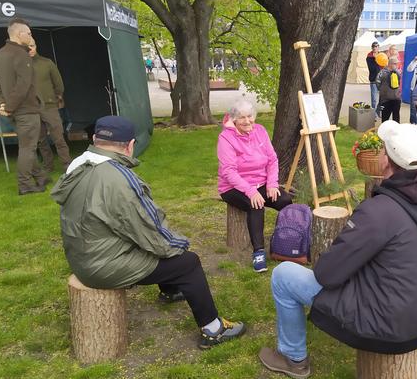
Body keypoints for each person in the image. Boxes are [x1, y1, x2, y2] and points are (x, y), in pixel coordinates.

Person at [258, 122, 417, 379]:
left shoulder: (380, 210)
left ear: (386, 160)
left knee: (284, 275)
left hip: (383, 325)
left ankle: (292, 357)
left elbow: (326, 275)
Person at [51, 116, 246, 349]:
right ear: (130, 145)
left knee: (155, 248)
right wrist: (181, 244)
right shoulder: (120, 179)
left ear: (95, 139)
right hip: (101, 267)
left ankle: (171, 290)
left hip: (80, 255)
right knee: (188, 262)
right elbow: (153, 233)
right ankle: (213, 329)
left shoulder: (79, 165)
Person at [218, 100, 292, 272]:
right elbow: (229, 172)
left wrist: (272, 184)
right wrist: (251, 192)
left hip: (261, 183)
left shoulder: (260, 131)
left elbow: (272, 160)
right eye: (242, 117)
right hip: (232, 187)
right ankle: (258, 252)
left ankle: (284, 240)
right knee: (256, 205)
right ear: (234, 119)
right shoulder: (226, 138)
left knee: (285, 200)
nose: (247, 121)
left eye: (250, 116)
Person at [0, 18, 49, 195]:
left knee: (27, 144)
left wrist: (3, 104)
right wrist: (8, 106)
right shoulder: (21, 55)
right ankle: (25, 185)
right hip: (25, 110)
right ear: (19, 34)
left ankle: (39, 176)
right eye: (29, 33)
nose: (31, 37)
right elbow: (23, 86)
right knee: (28, 148)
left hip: (14, 111)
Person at [27, 40, 71, 173]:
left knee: (58, 137)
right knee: (40, 140)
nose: (30, 49)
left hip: (49, 106)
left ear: (36, 46)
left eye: (32, 46)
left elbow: (59, 84)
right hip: (31, 108)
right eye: (27, 47)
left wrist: (57, 97)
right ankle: (48, 165)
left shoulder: (47, 63)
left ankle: (67, 165)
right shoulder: (20, 66)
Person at [376, 55, 402, 123]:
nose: (397, 65)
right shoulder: (382, 72)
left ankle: (396, 132)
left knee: (396, 119)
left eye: (397, 63)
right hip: (385, 99)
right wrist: (383, 91)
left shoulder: (398, 72)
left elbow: (399, 82)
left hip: (396, 99)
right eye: (395, 64)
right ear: (390, 64)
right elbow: (377, 82)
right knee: (385, 118)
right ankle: (384, 132)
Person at [366, 41, 381, 113]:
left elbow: (384, 66)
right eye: (374, 46)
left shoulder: (381, 56)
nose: (375, 48)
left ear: (378, 47)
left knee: (382, 99)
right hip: (373, 80)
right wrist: (376, 59)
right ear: (372, 48)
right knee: (374, 99)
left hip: (382, 80)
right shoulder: (369, 57)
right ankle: (373, 114)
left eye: (376, 46)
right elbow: (372, 69)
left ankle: (378, 111)